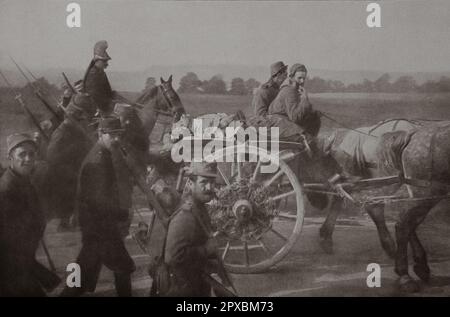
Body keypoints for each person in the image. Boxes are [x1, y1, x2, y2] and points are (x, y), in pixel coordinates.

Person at [60, 116, 135, 297]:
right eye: (112, 135)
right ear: (101, 133)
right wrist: (122, 214)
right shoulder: (98, 160)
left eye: (119, 135)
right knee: (122, 267)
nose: (117, 139)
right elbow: (99, 202)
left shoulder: (103, 153)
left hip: (97, 228)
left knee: (83, 273)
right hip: (100, 229)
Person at [0, 133, 60, 296]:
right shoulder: (7, 190)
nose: (28, 159)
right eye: (22, 154)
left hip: (21, 261)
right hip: (11, 266)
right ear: (10, 157)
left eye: (31, 154)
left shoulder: (24, 181)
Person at [161, 162, 219, 297]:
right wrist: (206, 250)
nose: (209, 187)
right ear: (191, 183)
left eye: (212, 182)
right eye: (203, 182)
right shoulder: (187, 215)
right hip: (182, 288)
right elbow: (172, 257)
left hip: (195, 282)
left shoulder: (199, 208)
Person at [45, 93, 96, 231]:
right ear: (75, 117)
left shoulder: (76, 130)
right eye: (82, 118)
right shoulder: (62, 132)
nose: (85, 121)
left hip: (76, 168)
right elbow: (51, 157)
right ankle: (65, 221)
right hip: (63, 174)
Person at [268, 63, 321, 142]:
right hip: (279, 123)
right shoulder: (289, 91)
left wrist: (311, 111)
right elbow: (295, 117)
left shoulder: (295, 90)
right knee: (307, 136)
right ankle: (310, 147)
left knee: (314, 118)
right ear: (292, 77)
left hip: (284, 121)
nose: (302, 81)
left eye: (304, 78)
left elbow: (298, 111)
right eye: (299, 78)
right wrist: (304, 99)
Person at [83, 40, 116, 116]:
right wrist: (110, 103)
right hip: (96, 111)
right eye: (104, 61)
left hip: (104, 107)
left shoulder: (101, 73)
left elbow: (107, 92)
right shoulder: (93, 74)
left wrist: (114, 96)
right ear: (97, 61)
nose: (107, 64)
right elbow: (94, 96)